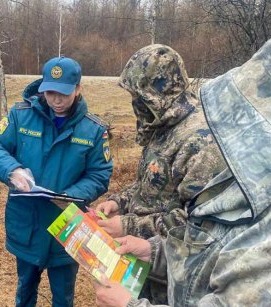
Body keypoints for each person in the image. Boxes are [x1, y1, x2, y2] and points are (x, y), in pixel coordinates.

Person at [93, 14, 271, 306]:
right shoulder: (269, 173)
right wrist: (155, 250)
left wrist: (130, 303)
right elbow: (211, 232)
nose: (232, 125)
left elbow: (189, 216)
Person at [94, 44, 226, 303]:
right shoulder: (162, 126)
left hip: (171, 278)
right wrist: (118, 202)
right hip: (142, 262)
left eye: (139, 96)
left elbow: (199, 225)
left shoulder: (200, 142)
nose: (135, 104)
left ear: (157, 92)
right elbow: (150, 184)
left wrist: (129, 225)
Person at [0, 56, 113, 306]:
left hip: (67, 227)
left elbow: (99, 174)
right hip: (26, 224)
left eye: (63, 93)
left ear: (78, 89)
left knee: (63, 296)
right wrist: (12, 170)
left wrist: (70, 196)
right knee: (25, 289)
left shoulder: (93, 130)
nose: (57, 100)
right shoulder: (22, 116)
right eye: (50, 92)